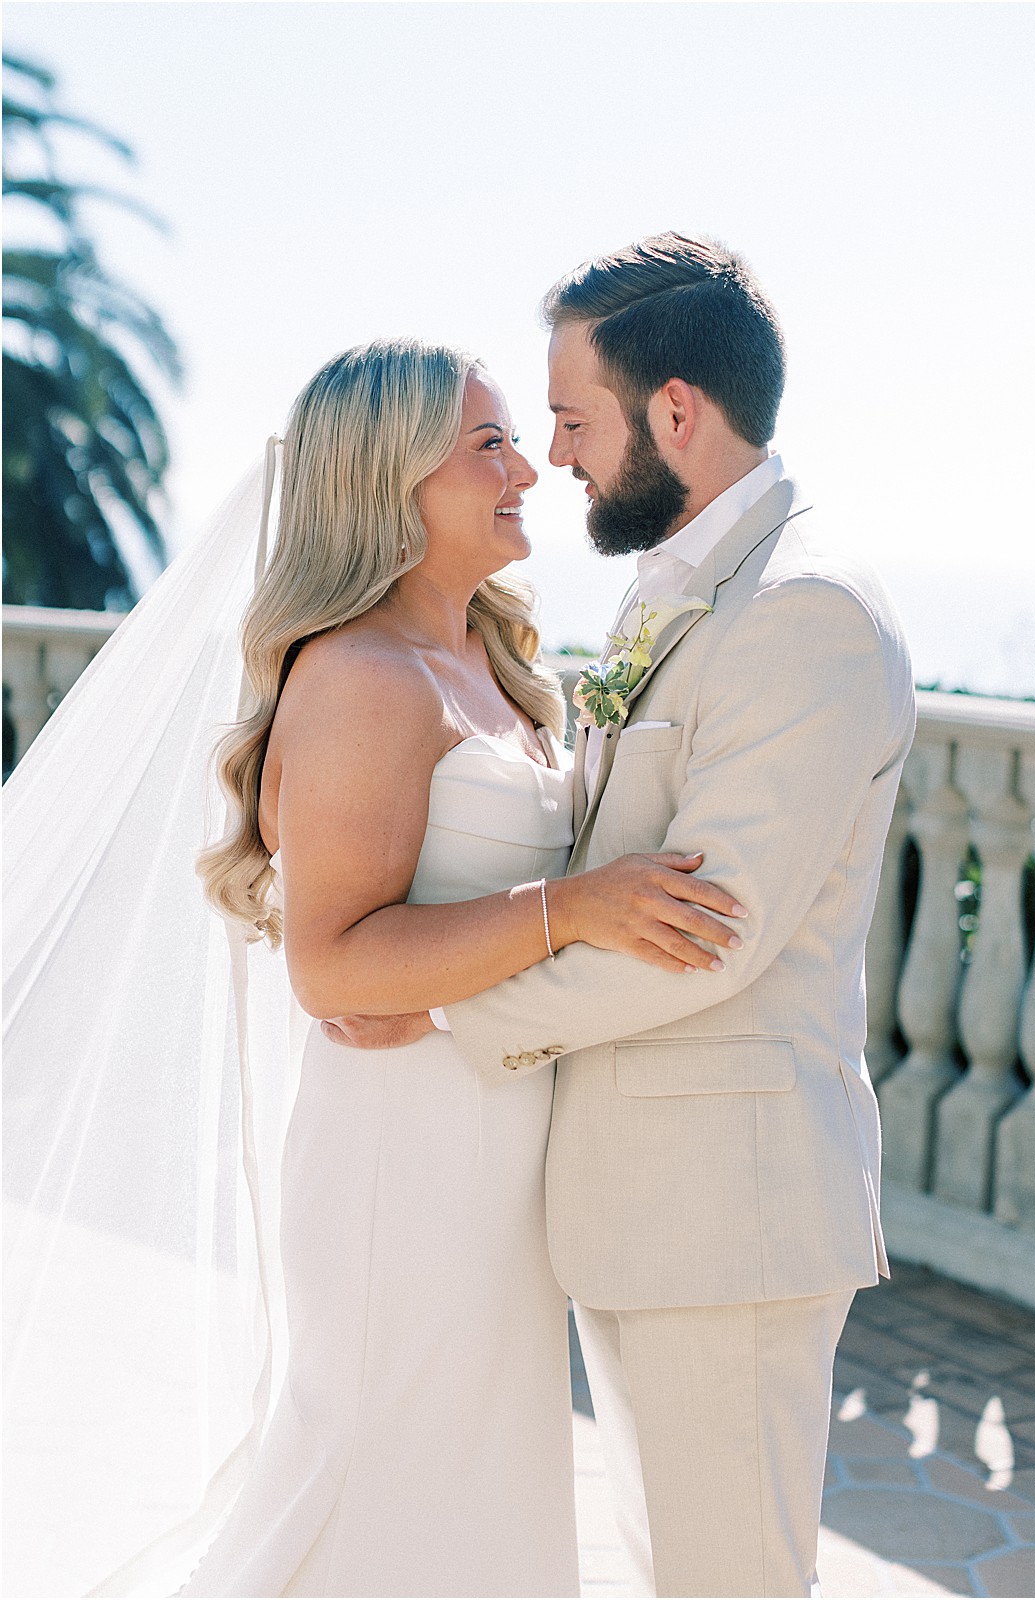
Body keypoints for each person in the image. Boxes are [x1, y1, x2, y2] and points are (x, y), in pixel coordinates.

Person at [3, 336, 746, 1599]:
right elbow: (337, 968)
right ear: (387, 479)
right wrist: (571, 910)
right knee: (374, 1490)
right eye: (486, 446)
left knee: (468, 1496)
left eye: (516, 437)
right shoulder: (359, 678)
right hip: (399, 1171)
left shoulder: (497, 671)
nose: (527, 466)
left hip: (489, 1160)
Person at [331, 236, 917, 1599]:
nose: (551, 456)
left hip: (727, 1216)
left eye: (572, 419)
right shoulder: (683, 590)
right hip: (644, 1205)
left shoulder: (801, 611)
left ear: (672, 412)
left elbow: (702, 933)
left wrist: (440, 1000)